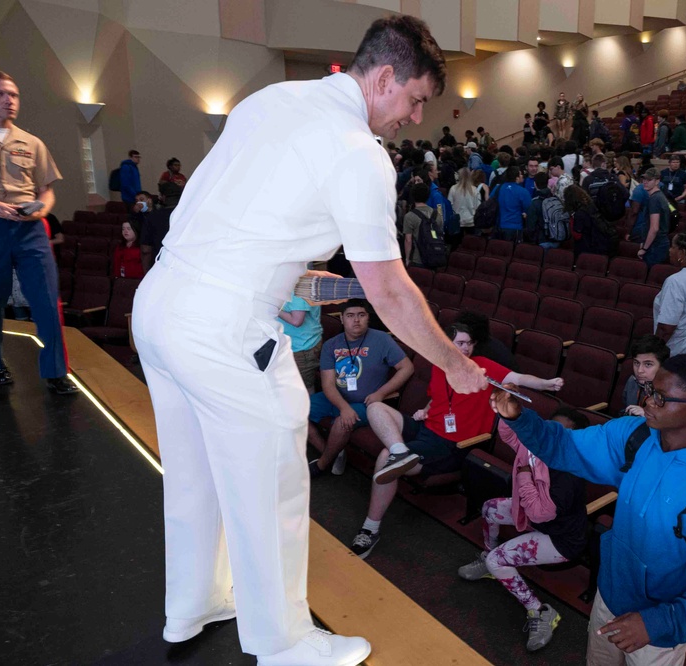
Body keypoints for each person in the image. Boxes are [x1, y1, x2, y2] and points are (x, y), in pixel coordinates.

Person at [130, 17, 490, 665]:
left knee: (194, 475)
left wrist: (339, 292)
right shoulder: (358, 152)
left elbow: (268, 253)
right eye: (415, 100)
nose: (414, 118)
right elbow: (391, 292)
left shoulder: (273, 99)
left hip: (160, 304)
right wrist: (454, 362)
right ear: (384, 78)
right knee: (273, 480)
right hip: (224, 327)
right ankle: (285, 642)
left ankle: (193, 604)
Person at [491, 353, 686, 665]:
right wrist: (519, 418)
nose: (649, 402)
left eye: (661, 397)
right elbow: (565, 447)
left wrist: (656, 624)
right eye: (650, 390)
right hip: (610, 596)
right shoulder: (634, 436)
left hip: (660, 630)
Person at [352, 322, 562, 557]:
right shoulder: (439, 366)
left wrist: (547, 384)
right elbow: (437, 398)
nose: (466, 348)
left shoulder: (481, 367)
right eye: (460, 343)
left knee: (384, 457)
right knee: (376, 408)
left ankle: (370, 529)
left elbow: (519, 378)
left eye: (469, 343)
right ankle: (399, 450)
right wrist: (426, 409)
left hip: (449, 445)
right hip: (426, 428)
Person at [457, 407, 590, 652]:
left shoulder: (569, 473)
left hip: (560, 538)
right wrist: (512, 408)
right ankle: (487, 557)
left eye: (559, 432)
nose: (550, 435)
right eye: (549, 427)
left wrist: (525, 474)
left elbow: (541, 512)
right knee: (489, 509)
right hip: (532, 516)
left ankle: (540, 611)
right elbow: (508, 432)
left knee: (499, 561)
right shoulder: (535, 446)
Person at [0, 70, 76, 394]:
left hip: (30, 230)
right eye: (0, 93)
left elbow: (47, 190)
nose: (9, 100)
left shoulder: (32, 143)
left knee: (46, 301)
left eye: (13, 94)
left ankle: (56, 372)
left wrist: (42, 207)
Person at [307, 299, 412, 477]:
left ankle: (323, 464)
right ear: (342, 319)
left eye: (361, 315)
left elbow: (407, 367)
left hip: (366, 404)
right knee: (296, 411)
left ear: (368, 318)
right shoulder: (331, 345)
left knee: (343, 423)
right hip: (336, 398)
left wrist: (381, 393)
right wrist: (344, 407)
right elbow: (328, 385)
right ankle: (333, 451)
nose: (356, 320)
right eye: (350, 315)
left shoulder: (381, 339)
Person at [277, 289, 323, 394]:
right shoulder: (292, 283)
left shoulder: (296, 287)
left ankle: (309, 410)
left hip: (302, 347)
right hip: (295, 345)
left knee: (303, 390)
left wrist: (274, 308)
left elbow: (296, 320)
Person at [620, 335, 671, 417]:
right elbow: (625, 409)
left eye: (648, 364)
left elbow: (673, 424)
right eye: (636, 363)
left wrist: (647, 415)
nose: (639, 370)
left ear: (662, 367)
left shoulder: (671, 391)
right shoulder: (632, 381)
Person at [636, 167, 671, 269]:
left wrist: (645, 248)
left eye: (649, 180)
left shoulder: (655, 199)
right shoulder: (659, 196)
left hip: (656, 245)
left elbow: (654, 228)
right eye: (644, 179)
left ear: (657, 181)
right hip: (659, 243)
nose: (645, 182)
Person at [565, 185, 611, 257]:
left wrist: (571, 221)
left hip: (585, 246)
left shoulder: (579, 214)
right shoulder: (591, 206)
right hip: (597, 243)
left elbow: (577, 235)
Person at [402, 181, 441, 267]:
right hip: (435, 255)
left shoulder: (409, 216)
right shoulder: (437, 214)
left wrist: (407, 259)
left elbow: (408, 240)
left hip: (417, 258)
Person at [492, 166, 531, 242]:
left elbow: (490, 201)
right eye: (520, 174)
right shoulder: (523, 192)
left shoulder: (498, 188)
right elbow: (529, 208)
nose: (522, 176)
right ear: (516, 178)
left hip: (498, 226)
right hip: (515, 227)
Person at [448, 166, 480, 234]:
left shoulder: (453, 189)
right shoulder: (474, 190)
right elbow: (478, 206)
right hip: (471, 221)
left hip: (457, 221)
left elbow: (449, 204)